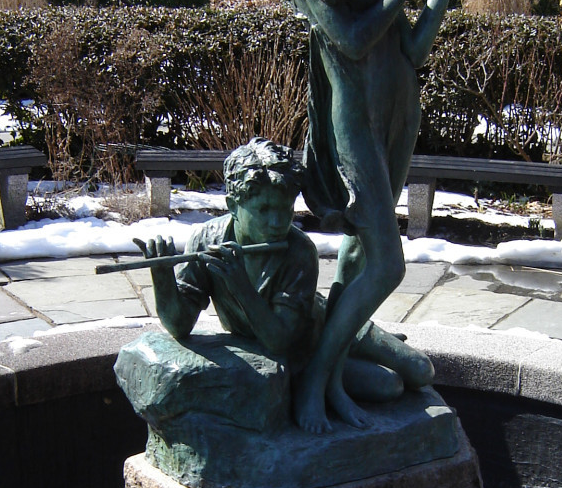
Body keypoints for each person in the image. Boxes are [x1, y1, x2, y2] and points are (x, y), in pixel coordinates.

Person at [288, 0, 489, 433]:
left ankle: (339, 363)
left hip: (398, 114)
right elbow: (349, 41)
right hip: (354, 127)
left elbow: (411, 48)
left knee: (356, 260)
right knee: (387, 264)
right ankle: (314, 390)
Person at [140, 137, 434, 408]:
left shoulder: (298, 250)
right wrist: (163, 278)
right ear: (233, 206)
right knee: (389, 386)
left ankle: (362, 345)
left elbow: (278, 338)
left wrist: (241, 287)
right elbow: (179, 326)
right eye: (264, 209)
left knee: (421, 371)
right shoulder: (208, 240)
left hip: (333, 323)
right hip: (303, 357)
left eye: (285, 209)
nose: (277, 221)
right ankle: (340, 368)